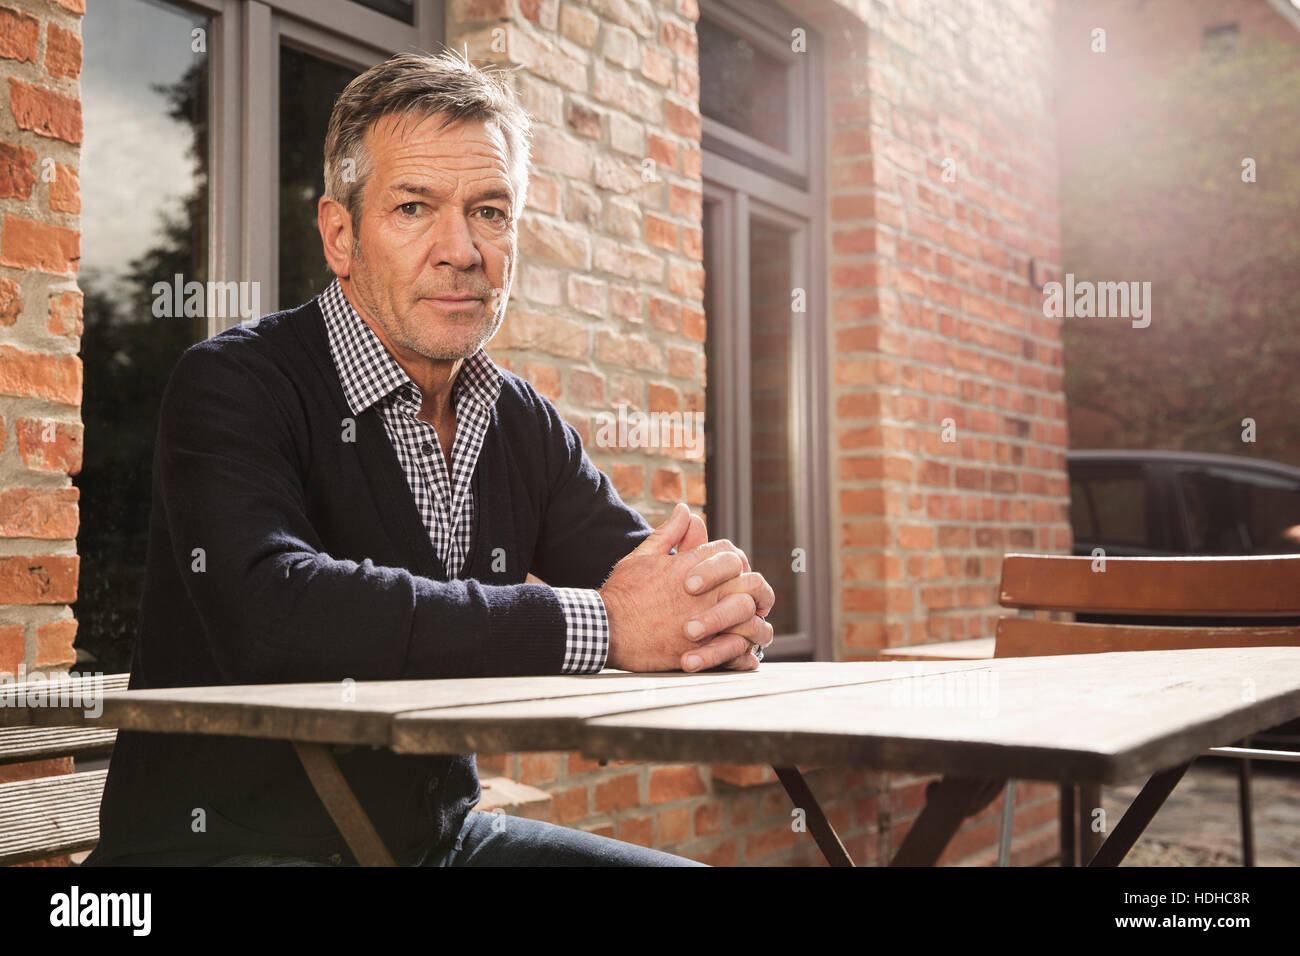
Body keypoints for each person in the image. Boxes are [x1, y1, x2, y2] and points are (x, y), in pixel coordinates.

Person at [84, 50, 774, 867]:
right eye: (414, 207)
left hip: (436, 847)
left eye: (490, 211)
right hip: (225, 852)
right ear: (340, 235)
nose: (462, 249)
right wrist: (603, 624)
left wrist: (711, 612)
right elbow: (271, 610)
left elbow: (647, 585)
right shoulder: (232, 383)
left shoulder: (520, 420)